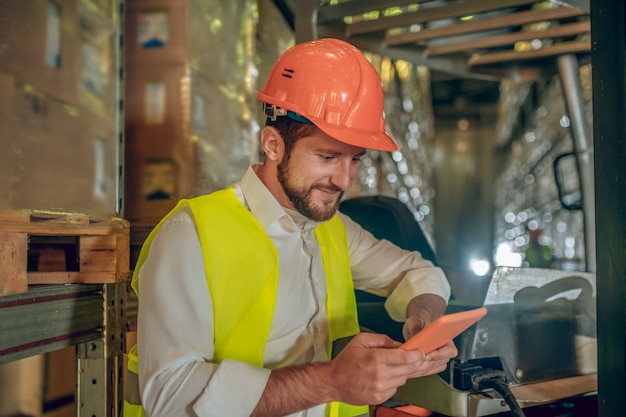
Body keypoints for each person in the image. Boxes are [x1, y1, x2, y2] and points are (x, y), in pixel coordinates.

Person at [125, 38, 456, 417]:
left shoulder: (334, 229)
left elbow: (417, 273)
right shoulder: (190, 235)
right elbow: (170, 397)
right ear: (273, 144)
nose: (345, 181)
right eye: (328, 156)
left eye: (355, 160)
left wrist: (423, 322)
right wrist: (331, 381)